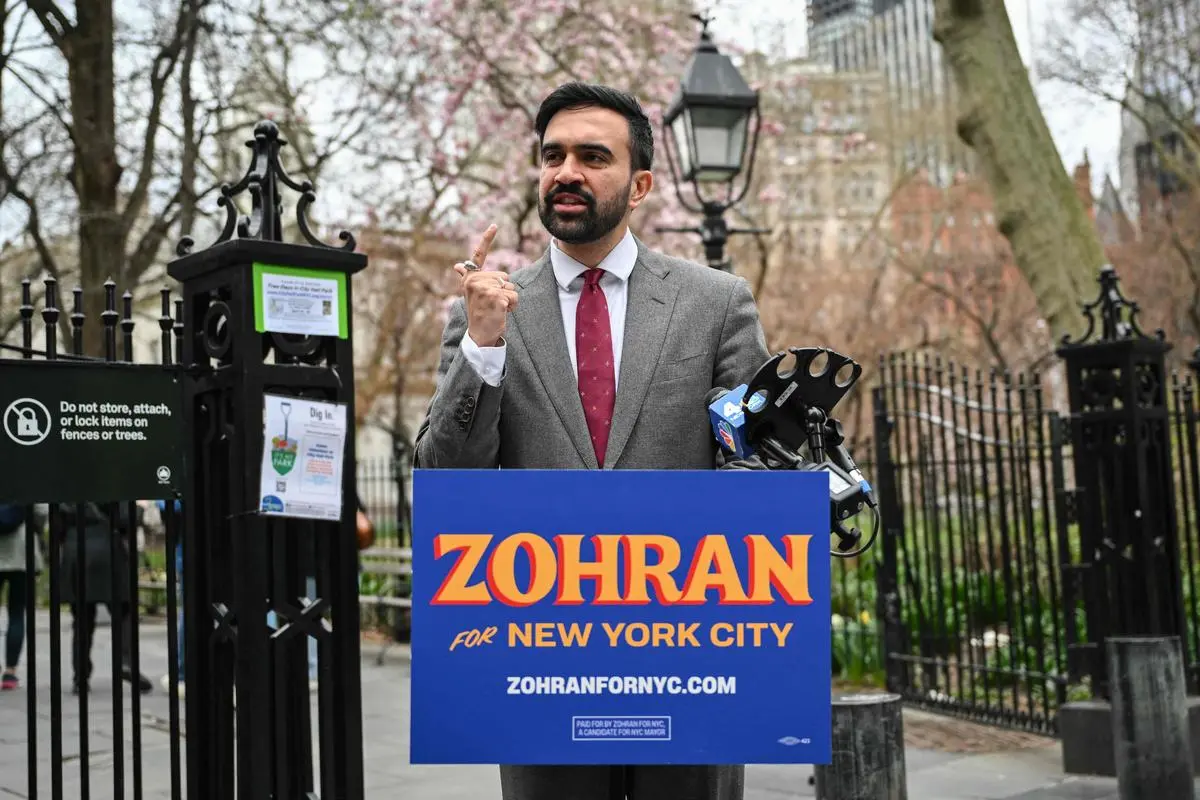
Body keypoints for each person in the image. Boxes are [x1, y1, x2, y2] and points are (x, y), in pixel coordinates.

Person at [413, 82, 769, 800]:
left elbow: (760, 463)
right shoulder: (485, 310)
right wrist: (484, 346)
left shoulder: (715, 302)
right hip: (541, 658)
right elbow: (445, 480)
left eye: (592, 156)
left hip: (688, 653)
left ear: (639, 185)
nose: (566, 171)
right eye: (553, 156)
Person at [57, 502, 153, 694]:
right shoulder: (110, 485)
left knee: (82, 620)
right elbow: (126, 519)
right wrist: (140, 507)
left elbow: (57, 529)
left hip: (75, 549)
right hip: (107, 548)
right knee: (124, 612)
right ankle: (125, 661)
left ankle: (80, 677)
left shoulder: (65, 489)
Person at [0, 504, 44, 690]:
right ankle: (10, 673)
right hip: (22, 550)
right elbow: (42, 512)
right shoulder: (24, 485)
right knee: (17, 613)